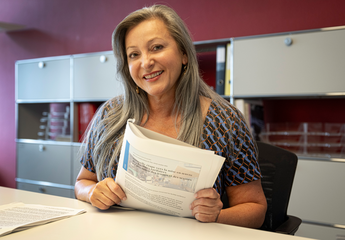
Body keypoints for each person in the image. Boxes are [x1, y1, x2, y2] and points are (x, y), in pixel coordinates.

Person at [74, 4, 267, 228]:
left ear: (184, 54)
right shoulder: (110, 114)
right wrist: (92, 192)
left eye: (156, 47)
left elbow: (256, 209)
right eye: (134, 54)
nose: (145, 62)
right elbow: (83, 182)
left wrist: (216, 216)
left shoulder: (225, 121)